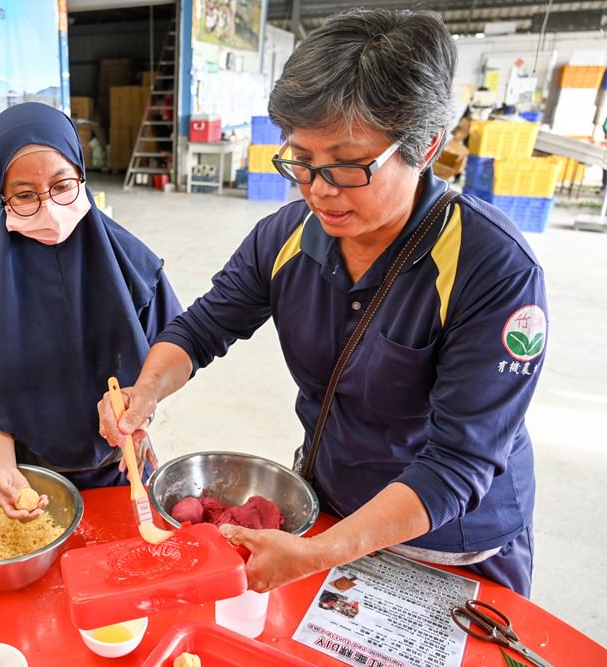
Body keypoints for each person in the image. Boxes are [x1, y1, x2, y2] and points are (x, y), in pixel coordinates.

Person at [98, 8, 546, 597]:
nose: (319, 190)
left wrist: (320, 553)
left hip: (451, 543)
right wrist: (146, 390)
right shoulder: (285, 235)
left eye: (347, 164)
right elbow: (203, 327)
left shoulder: (492, 267)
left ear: (426, 145)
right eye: (301, 162)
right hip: (330, 506)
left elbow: (458, 464)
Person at [0, 102, 182, 519]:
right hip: (31, 473)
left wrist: (144, 412)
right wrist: (1, 459)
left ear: (82, 174)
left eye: (63, 185)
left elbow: (166, 356)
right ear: (2, 195)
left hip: (123, 464)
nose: (49, 207)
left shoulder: (131, 265)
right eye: (25, 195)